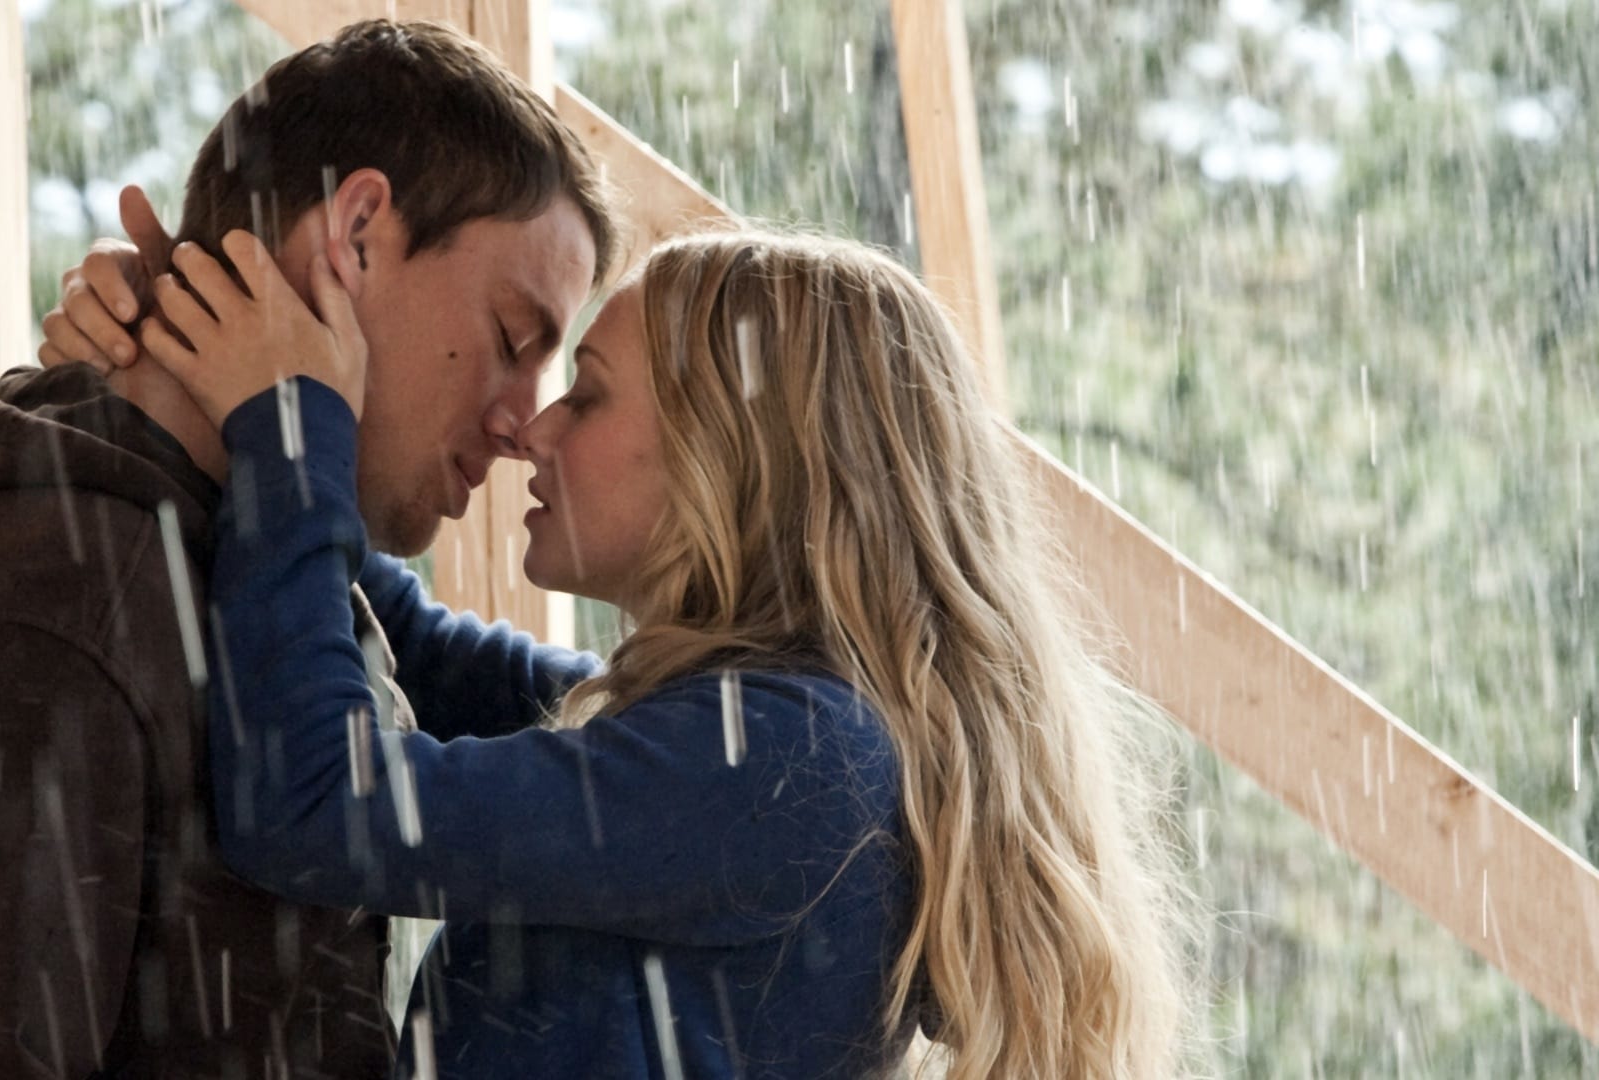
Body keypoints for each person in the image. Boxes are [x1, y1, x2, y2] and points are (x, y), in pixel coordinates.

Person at [110, 225, 1203, 1078]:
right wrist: (213, 407)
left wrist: (286, 428)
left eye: (586, 394)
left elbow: (313, 803)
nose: (533, 429)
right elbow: (421, 657)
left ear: (736, 459)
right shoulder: (771, 743)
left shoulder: (778, 761)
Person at [0, 19, 616, 1079]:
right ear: (356, 233)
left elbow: (595, 727)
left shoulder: (243, 568)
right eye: (512, 339)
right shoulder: (50, 607)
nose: (523, 421)